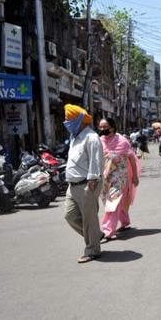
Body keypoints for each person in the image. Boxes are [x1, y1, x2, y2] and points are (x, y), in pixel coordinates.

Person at [62, 104, 104, 264]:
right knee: (70, 216)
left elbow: (96, 161)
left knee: (89, 219)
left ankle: (93, 250)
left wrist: (92, 181)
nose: (66, 122)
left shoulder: (91, 138)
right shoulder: (75, 138)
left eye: (69, 120)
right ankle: (96, 236)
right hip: (72, 186)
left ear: (79, 120)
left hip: (87, 184)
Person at [98, 118, 140, 241]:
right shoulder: (99, 141)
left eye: (104, 127)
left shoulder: (122, 141)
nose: (102, 129)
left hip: (119, 177)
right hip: (105, 178)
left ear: (112, 127)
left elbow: (132, 158)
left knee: (113, 202)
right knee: (112, 201)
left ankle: (107, 231)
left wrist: (135, 176)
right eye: (100, 127)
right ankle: (125, 222)